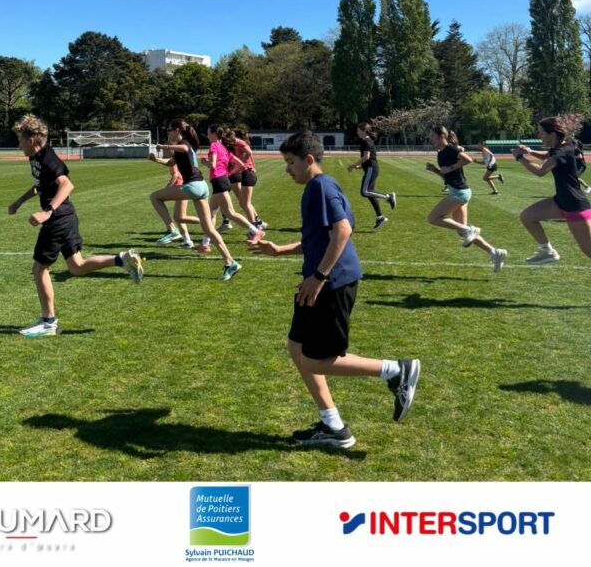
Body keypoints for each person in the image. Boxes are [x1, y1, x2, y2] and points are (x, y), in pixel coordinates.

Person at [248, 130, 420, 449]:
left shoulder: (321, 187)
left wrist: (319, 277)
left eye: (291, 162)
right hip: (320, 280)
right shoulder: (319, 187)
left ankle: (396, 371)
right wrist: (280, 250)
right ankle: (333, 426)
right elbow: (320, 238)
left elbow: (343, 230)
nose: (287, 169)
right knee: (297, 348)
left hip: (332, 282)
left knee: (315, 360)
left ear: (308, 160)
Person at [9, 114, 143, 338]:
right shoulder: (36, 158)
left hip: (58, 220)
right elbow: (39, 186)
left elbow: (67, 184)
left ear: (31, 140)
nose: (19, 144)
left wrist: (47, 211)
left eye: (20, 140)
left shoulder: (48, 159)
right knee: (77, 267)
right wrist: (18, 202)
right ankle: (122, 259)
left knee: (39, 269)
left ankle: (48, 322)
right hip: (67, 217)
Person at [148, 118, 242, 281]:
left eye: (169, 130)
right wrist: (155, 159)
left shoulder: (184, 143)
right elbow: (172, 162)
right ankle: (230, 262)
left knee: (155, 197)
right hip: (202, 187)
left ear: (177, 130)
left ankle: (172, 230)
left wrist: (165, 146)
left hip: (193, 186)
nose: (168, 133)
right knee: (209, 229)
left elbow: (184, 148)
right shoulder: (182, 146)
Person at [425, 125, 507, 272]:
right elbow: (447, 177)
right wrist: (435, 170)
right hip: (459, 191)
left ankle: (470, 229)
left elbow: (467, 159)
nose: (430, 139)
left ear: (442, 136)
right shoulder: (441, 153)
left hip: (460, 193)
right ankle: (495, 253)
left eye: (432, 136)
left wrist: (451, 168)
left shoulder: (450, 149)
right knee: (462, 232)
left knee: (433, 218)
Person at [514, 117, 591, 263]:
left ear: (553, 134)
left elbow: (540, 171)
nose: (539, 136)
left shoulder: (562, 152)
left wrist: (519, 157)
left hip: (575, 206)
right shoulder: (562, 146)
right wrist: (529, 151)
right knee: (527, 216)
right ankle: (548, 251)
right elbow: (547, 155)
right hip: (561, 201)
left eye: (541, 132)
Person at [195, 125, 264, 253]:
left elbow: (213, 165)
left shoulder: (214, 145)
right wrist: (228, 173)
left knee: (230, 213)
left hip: (219, 182)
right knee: (212, 214)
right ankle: (205, 243)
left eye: (208, 133)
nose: (207, 136)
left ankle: (256, 231)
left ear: (214, 134)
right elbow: (240, 164)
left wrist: (204, 162)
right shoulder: (223, 147)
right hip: (222, 181)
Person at [347, 122, 396, 229]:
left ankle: (389, 197)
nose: (357, 132)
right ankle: (380, 217)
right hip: (369, 168)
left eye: (358, 130)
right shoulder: (365, 141)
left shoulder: (367, 141)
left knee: (365, 191)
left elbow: (367, 157)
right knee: (369, 193)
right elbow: (369, 158)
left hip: (371, 169)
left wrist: (353, 165)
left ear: (364, 131)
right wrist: (360, 166)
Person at [221, 129, 267, 233]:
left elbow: (249, 152)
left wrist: (242, 161)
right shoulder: (235, 144)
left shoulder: (238, 142)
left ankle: (255, 228)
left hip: (248, 173)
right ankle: (257, 225)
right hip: (246, 173)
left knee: (245, 204)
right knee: (244, 203)